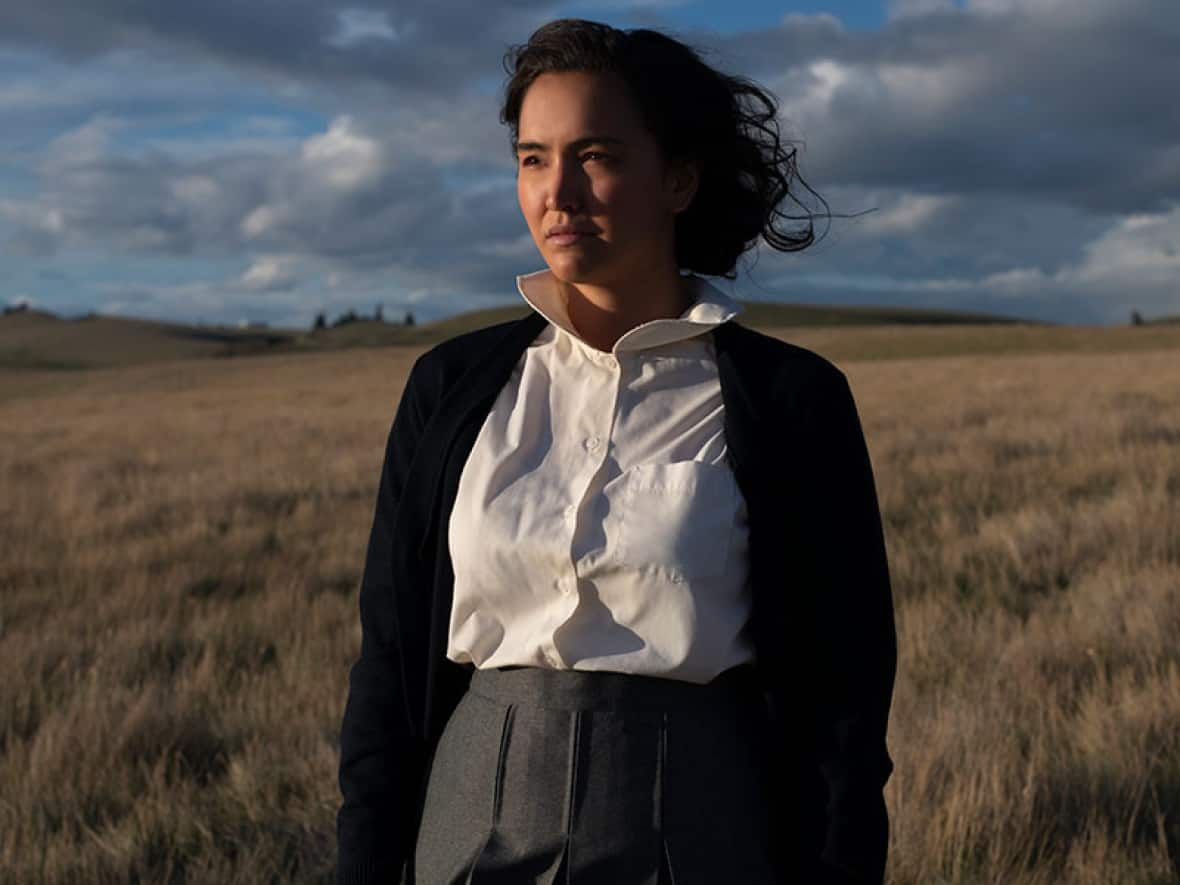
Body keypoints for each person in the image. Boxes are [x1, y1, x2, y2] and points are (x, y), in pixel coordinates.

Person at [335, 17, 897, 885]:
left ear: (678, 177)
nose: (557, 192)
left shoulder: (790, 400)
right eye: (532, 158)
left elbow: (844, 705)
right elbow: (389, 664)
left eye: (595, 155)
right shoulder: (451, 386)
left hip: (701, 828)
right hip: (467, 824)